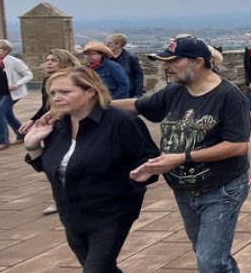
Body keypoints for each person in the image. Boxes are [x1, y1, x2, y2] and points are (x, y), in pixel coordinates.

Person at [116, 36, 251, 273]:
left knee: (210, 260)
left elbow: (237, 146)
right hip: (184, 190)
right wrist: (91, 103)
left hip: (222, 189)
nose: (165, 66)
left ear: (197, 62)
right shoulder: (174, 92)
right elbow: (137, 105)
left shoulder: (229, 96)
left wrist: (181, 158)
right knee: (208, 255)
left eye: (172, 61)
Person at [22, 66, 160, 272]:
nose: (56, 98)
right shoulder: (58, 124)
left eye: (65, 92)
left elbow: (148, 157)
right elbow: (52, 167)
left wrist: (140, 175)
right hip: (72, 213)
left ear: (90, 92)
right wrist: (32, 146)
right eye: (53, 93)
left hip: (111, 212)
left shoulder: (122, 122)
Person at [19, 48, 81, 216]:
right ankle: (59, 198)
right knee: (51, 161)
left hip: (69, 123)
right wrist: (32, 120)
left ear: (64, 61)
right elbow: (45, 106)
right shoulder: (48, 80)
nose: (48, 63)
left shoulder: (77, 79)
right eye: (47, 60)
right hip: (51, 126)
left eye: (53, 60)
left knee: (72, 160)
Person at [107, 33, 146, 98]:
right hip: (109, 93)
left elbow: (138, 75)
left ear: (118, 44)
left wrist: (138, 94)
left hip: (127, 93)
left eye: (110, 43)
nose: (107, 45)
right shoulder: (105, 57)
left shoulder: (130, 58)